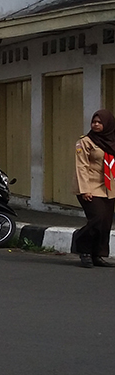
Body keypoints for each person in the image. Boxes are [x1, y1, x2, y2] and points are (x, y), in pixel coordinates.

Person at [72, 110, 115, 268]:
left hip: (109, 187)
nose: (96, 124)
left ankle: (98, 254)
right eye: (94, 122)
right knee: (97, 218)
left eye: (99, 122)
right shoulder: (85, 142)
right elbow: (81, 166)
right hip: (90, 186)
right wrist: (85, 189)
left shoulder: (112, 141)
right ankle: (83, 248)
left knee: (105, 222)